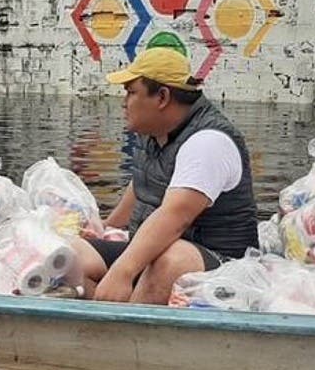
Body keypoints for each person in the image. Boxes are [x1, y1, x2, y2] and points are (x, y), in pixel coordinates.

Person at [72, 47, 259, 304]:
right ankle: (104, 317)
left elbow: (175, 216)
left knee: (171, 259)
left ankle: (126, 334)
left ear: (161, 97)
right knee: (71, 254)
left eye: (131, 92)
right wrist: (107, 227)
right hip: (157, 249)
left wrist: (122, 272)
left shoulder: (207, 141)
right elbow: (141, 184)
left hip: (222, 262)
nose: (124, 102)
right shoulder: (153, 133)